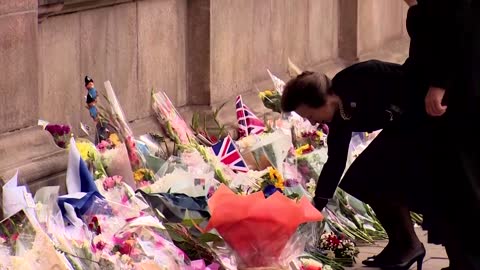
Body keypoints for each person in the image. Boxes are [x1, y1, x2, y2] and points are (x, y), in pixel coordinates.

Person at [281, 60, 431, 269]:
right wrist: (317, 204)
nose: (313, 123)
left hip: (421, 118)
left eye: (310, 116)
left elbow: (405, 78)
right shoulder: (340, 117)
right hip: (402, 128)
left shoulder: (359, 77)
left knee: (375, 172)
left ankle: (408, 244)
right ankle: (400, 243)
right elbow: (335, 161)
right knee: (362, 178)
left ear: (323, 100)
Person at [403, 0, 480, 269]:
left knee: (459, 180)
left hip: (457, 96)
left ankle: (468, 260)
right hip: (459, 89)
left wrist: (439, 83)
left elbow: (456, 28)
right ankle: (463, 258)